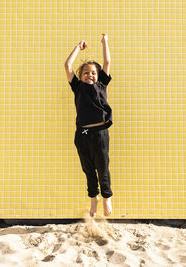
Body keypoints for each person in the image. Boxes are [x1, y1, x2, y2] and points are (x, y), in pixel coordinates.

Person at [64, 33, 113, 217]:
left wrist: (105, 42)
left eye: (93, 72)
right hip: (83, 134)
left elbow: (107, 62)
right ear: (81, 76)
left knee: (102, 166)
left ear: (98, 75)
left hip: (100, 132)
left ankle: (107, 196)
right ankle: (94, 197)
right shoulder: (77, 87)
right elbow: (68, 66)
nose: (90, 75)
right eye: (86, 73)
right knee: (88, 168)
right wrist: (78, 47)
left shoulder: (102, 84)